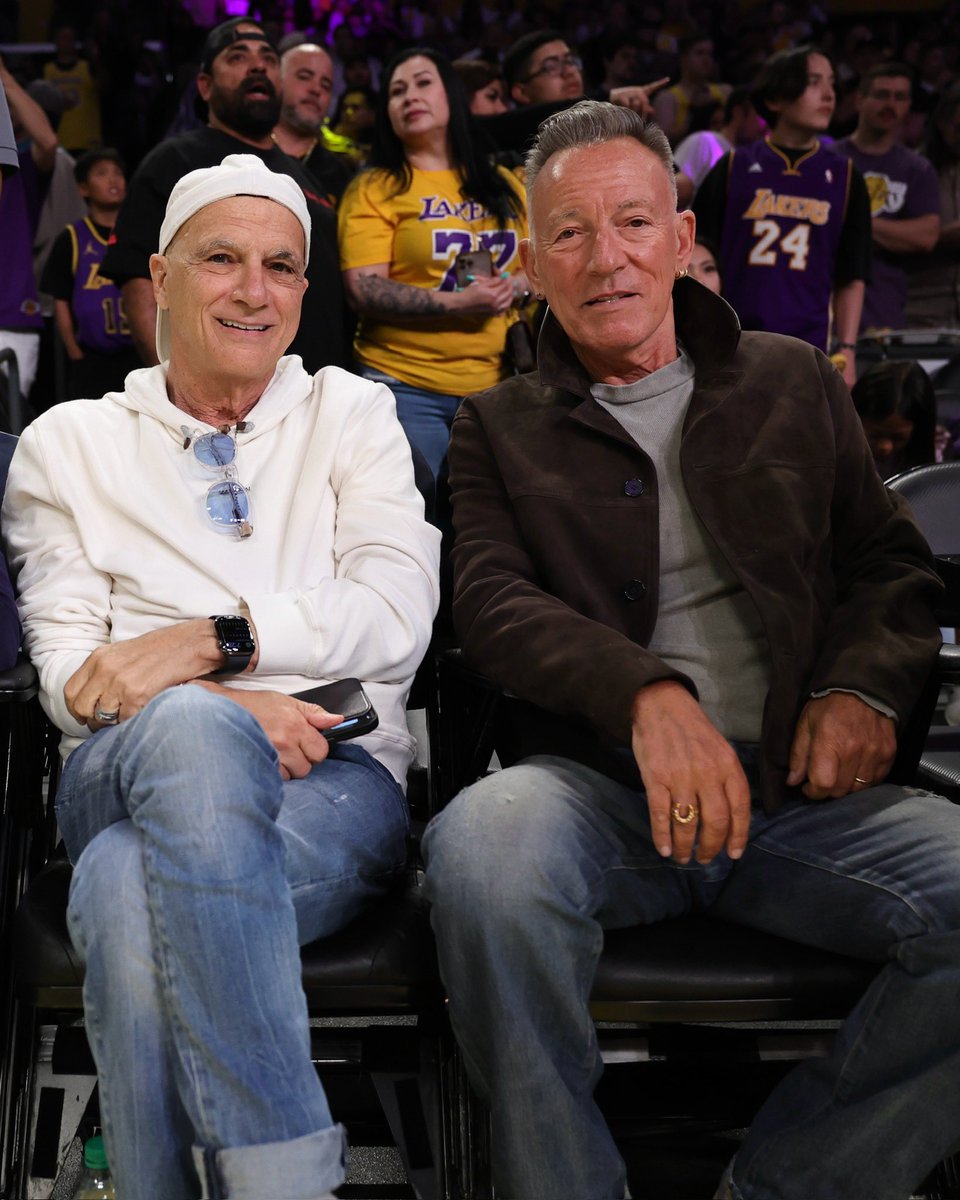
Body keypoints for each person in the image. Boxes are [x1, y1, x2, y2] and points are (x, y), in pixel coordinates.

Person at [421, 100, 958, 1200]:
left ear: (679, 238)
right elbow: (490, 602)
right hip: (603, 800)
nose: (605, 257)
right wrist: (647, 697)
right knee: (480, 856)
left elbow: (890, 569)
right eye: (570, 233)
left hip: (799, 800)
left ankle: (787, 1188)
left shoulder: (793, 379)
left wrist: (861, 689)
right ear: (534, 265)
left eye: (632, 223)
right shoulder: (496, 427)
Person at [2, 153, 440, 1200]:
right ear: (159, 275)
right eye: (221, 260)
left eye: (281, 267)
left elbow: (395, 617)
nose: (254, 290)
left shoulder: (353, 414)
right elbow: (69, 680)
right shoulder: (70, 443)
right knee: (196, 735)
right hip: (121, 768)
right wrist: (226, 709)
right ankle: (285, 1178)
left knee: (123, 889)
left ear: (304, 291)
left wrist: (211, 643)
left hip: (332, 777)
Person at [101, 17, 349, 373]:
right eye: (238, 57)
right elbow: (140, 283)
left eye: (268, 58)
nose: (258, 66)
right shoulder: (173, 162)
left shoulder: (305, 177)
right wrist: (176, 393)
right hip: (218, 395)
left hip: (314, 388)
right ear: (205, 85)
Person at [337, 47, 528, 482]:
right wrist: (462, 302)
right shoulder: (375, 187)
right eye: (397, 91)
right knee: (418, 515)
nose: (410, 96)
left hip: (497, 384)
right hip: (404, 384)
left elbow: (540, 266)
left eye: (423, 83)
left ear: (451, 95)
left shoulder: (504, 183)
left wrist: (514, 288)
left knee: (486, 515)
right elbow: (364, 288)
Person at [695, 46, 872, 386]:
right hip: (732, 343)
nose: (829, 94)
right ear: (775, 98)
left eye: (831, 83)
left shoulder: (846, 177)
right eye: (813, 82)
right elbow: (694, 255)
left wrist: (847, 349)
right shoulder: (733, 167)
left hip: (810, 348)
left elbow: (852, 275)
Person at [835, 63, 941, 332]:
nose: (891, 105)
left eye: (900, 97)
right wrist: (889, 233)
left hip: (885, 312)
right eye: (882, 95)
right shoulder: (830, 160)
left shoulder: (917, 169)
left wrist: (852, 221)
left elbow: (926, 235)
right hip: (827, 304)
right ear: (859, 99)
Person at [41, 148, 141, 401]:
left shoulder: (141, 234)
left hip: (139, 356)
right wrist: (75, 353)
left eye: (118, 173)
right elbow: (60, 300)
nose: (113, 180)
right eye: (102, 174)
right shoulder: (72, 238)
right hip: (92, 359)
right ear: (83, 188)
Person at [0, 56, 58, 408]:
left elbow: (48, 141)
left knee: (6, 423)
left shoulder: (20, 172)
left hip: (10, 316)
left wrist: (3, 77)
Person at [273, 42, 355, 207]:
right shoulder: (241, 150)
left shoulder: (340, 175)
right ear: (277, 80)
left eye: (326, 85)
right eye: (304, 77)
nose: (316, 89)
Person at [905, 82, 960, 329]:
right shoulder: (911, 169)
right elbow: (889, 240)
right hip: (920, 311)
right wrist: (942, 235)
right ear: (941, 122)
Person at [673, 86, 764, 200]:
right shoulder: (704, 141)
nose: (763, 125)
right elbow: (674, 187)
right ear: (738, 113)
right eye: (759, 116)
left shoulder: (752, 158)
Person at [851, 358, 938, 476]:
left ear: (918, 430)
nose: (885, 447)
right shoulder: (833, 450)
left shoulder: (938, 448)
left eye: (898, 438)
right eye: (874, 435)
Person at [652, 32, 729, 144]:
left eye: (710, 54)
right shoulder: (667, 98)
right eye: (700, 53)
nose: (707, 59)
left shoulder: (725, 91)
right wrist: (695, 117)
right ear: (683, 59)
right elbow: (661, 142)